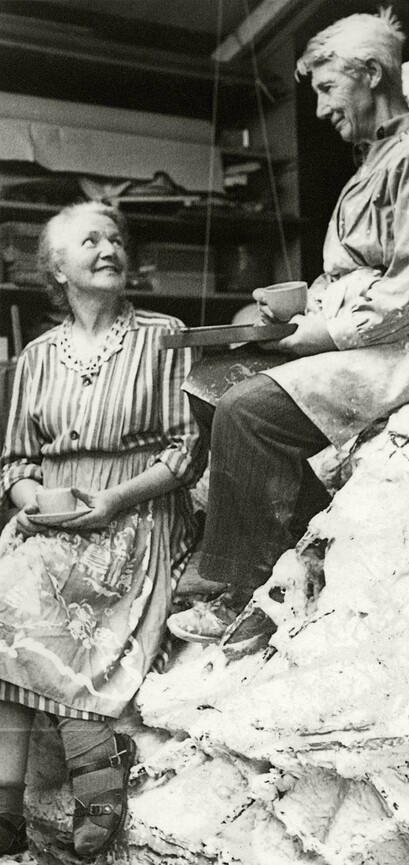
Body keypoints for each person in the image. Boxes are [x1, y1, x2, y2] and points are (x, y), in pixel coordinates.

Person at [167, 8, 409, 654]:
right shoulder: (378, 160)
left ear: (372, 74)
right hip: (376, 331)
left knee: (249, 410)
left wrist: (320, 333)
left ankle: (248, 591)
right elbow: (352, 275)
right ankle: (304, 545)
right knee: (208, 383)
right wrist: (295, 314)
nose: (321, 110)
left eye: (327, 89)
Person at [0, 201, 206, 857]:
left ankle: (98, 780)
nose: (109, 247)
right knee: (5, 598)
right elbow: (14, 461)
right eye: (90, 239)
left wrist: (112, 499)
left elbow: (184, 450)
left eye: (116, 238)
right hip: (57, 515)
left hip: (136, 509)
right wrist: (34, 500)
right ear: (56, 266)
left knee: (72, 609)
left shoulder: (165, 334)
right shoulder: (36, 355)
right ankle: (4, 806)